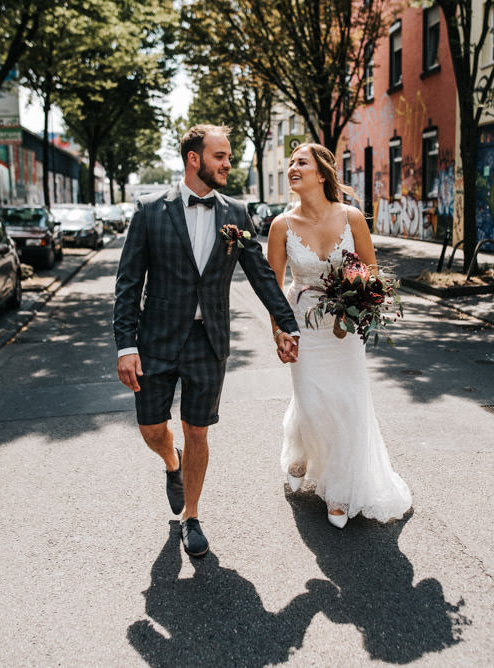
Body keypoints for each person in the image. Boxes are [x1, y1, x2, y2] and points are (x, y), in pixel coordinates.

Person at [113, 124, 301, 558]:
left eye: (229, 156)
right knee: (150, 428)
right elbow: (127, 284)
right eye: (220, 156)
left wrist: (285, 324)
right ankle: (170, 462)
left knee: (198, 431)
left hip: (208, 341)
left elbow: (260, 275)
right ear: (194, 159)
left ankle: (191, 516)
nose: (228, 164)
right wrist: (126, 345)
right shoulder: (148, 211)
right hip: (155, 341)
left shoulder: (236, 212)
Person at [266, 143, 412, 529]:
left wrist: (360, 303)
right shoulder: (281, 225)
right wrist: (279, 331)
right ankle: (301, 448)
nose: (293, 167)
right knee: (312, 400)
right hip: (303, 323)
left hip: (344, 329)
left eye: (301, 162)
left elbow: (372, 274)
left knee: (346, 402)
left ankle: (340, 490)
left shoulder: (351, 217)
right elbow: (271, 285)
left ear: (321, 172)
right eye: (291, 162)